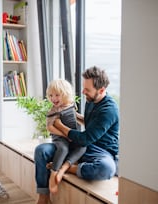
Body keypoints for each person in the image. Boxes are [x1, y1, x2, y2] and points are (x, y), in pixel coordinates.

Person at [34, 66, 119, 204]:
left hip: (100, 150)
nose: (83, 91)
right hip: (81, 144)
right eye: (84, 87)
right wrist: (72, 116)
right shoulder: (91, 100)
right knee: (41, 151)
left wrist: (60, 125)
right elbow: (89, 124)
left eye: (87, 89)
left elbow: (85, 138)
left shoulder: (109, 110)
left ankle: (69, 168)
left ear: (101, 90)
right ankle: (43, 196)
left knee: (107, 169)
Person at [45, 79, 86, 194]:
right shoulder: (53, 111)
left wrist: (85, 120)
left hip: (71, 135)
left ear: (66, 94)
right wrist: (64, 135)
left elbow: (75, 116)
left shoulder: (71, 106)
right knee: (63, 148)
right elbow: (50, 127)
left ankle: (64, 167)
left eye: (57, 95)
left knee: (83, 146)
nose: (53, 98)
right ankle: (53, 174)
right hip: (60, 137)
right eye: (51, 95)